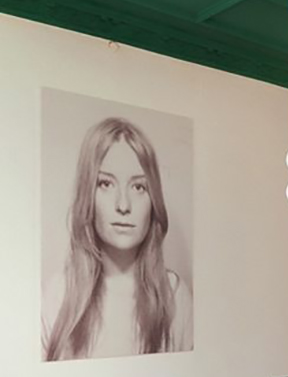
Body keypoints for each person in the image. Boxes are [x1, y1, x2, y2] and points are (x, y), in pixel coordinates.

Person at [42, 117, 192, 360]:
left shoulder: (175, 296)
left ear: (153, 200)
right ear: (87, 194)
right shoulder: (59, 294)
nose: (123, 205)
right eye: (106, 184)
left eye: (138, 187)